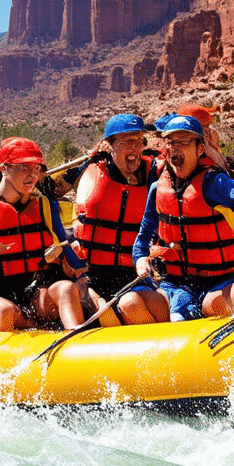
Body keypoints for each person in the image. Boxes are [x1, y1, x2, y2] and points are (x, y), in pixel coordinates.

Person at [133, 115, 234, 322]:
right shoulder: (158, 188)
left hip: (221, 281)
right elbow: (143, 235)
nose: (176, 147)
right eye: (171, 142)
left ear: (199, 149)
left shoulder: (215, 182)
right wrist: (140, 258)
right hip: (175, 284)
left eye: (184, 141)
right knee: (132, 300)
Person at [0, 137, 90, 334]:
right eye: (24, 168)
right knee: (3, 310)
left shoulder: (45, 207)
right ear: (4, 168)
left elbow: (69, 253)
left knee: (66, 288)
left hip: (29, 291)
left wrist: (79, 270)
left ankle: (76, 347)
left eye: (37, 169)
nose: (33, 176)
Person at [73, 114, 170, 324]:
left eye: (138, 141)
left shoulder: (152, 173)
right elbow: (51, 189)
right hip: (95, 274)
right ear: (110, 146)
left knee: (158, 302)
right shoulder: (94, 173)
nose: (135, 148)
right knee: (124, 306)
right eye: (127, 141)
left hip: (133, 272)